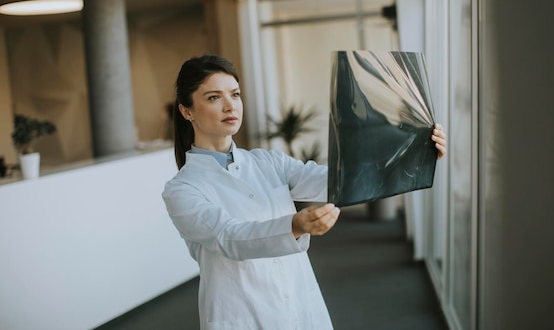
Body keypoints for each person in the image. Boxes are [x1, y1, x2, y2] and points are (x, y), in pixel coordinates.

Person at [162, 54, 447, 330]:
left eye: (235, 94)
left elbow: (339, 179)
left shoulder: (268, 161)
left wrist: (416, 154)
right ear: (187, 111)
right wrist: (294, 225)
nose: (230, 106)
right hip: (241, 312)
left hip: (300, 303)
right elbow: (230, 237)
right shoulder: (182, 189)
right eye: (214, 97)